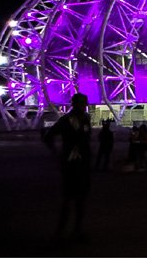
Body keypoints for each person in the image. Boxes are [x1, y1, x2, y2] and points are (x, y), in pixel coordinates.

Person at [42, 93, 92, 242]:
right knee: (68, 199)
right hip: (70, 164)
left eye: (85, 103)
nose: (84, 105)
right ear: (74, 104)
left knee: (81, 199)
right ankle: (60, 232)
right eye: (81, 103)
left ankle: (77, 231)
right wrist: (56, 153)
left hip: (83, 164)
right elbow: (48, 136)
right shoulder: (65, 120)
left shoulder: (86, 119)